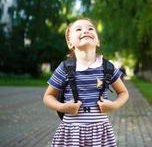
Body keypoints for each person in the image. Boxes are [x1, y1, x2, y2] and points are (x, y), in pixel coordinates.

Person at [43, 17, 129, 147]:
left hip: (100, 133)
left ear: (98, 41)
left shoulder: (108, 67)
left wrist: (114, 105)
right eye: (78, 29)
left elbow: (123, 92)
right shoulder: (65, 68)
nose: (85, 31)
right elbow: (48, 97)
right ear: (70, 43)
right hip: (71, 133)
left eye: (90, 28)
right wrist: (62, 107)